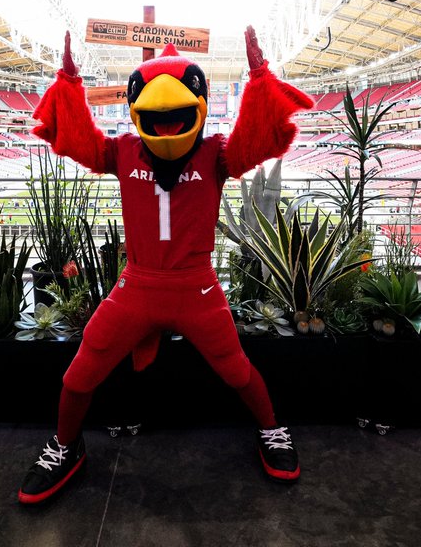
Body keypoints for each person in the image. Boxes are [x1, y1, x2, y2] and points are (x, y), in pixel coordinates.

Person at [19, 28, 312, 505]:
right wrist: (68, 86)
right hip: (137, 286)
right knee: (76, 377)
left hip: (196, 288)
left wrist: (260, 80)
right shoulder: (122, 150)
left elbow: (258, 140)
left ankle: (272, 429)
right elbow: (79, 140)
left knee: (237, 370)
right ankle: (66, 446)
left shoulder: (216, 152)